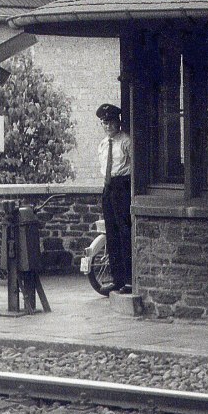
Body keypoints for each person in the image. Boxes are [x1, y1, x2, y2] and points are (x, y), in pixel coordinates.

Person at [96, 103, 132, 293]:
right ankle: (117, 279)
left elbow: (134, 167)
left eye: (111, 122)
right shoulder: (103, 144)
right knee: (112, 235)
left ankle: (128, 280)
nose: (108, 126)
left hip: (122, 187)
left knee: (124, 232)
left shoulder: (126, 141)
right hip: (109, 188)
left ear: (118, 123)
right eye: (104, 123)